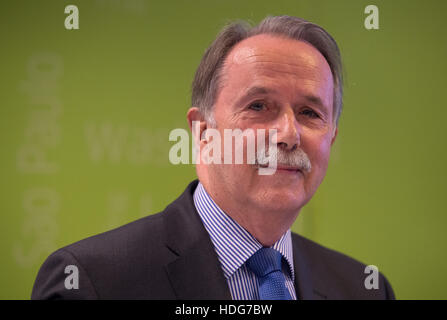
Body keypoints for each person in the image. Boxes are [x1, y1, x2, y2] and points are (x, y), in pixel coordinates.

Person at [31, 15, 395, 300]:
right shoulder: (91, 283)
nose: (288, 134)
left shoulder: (365, 289)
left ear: (331, 137)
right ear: (203, 132)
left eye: (310, 113)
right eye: (258, 106)